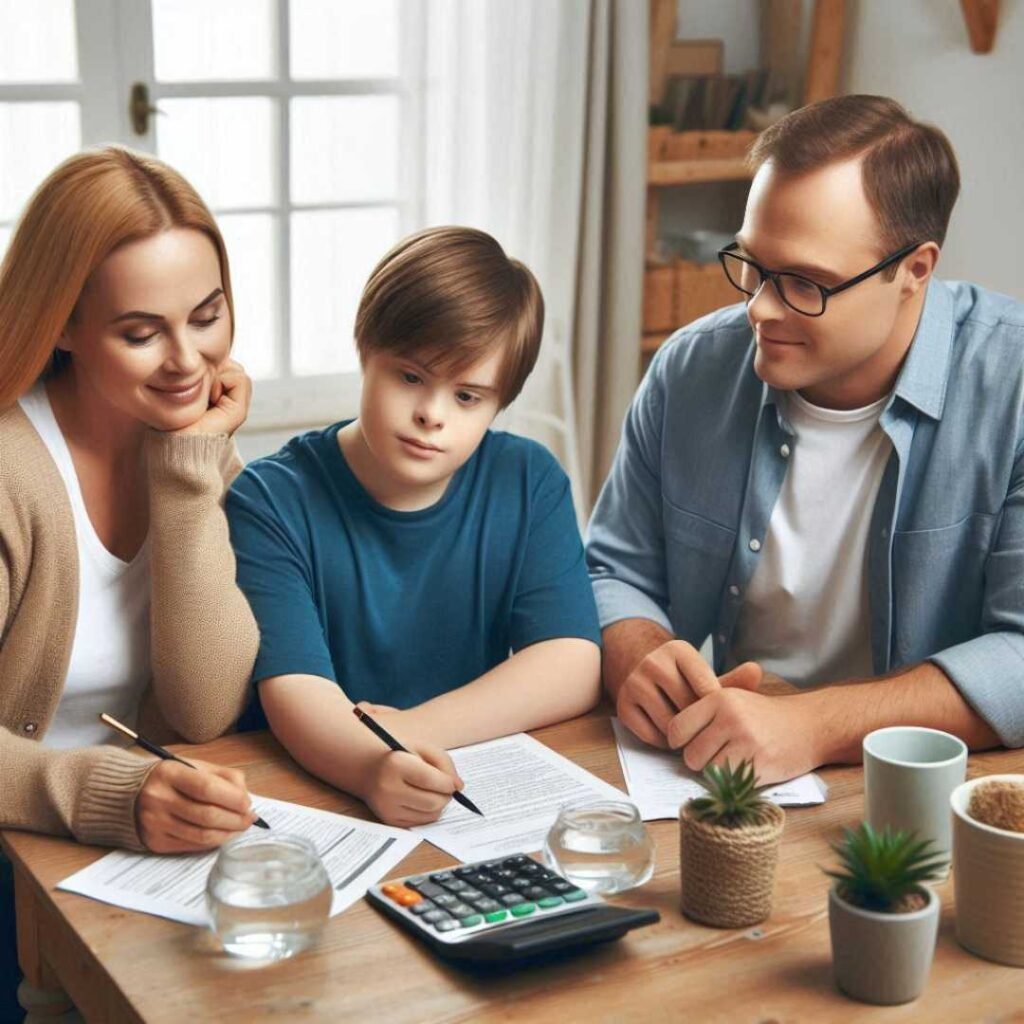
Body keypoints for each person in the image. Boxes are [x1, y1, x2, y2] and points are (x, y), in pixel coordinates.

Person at [587, 94, 1024, 784]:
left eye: (804, 283)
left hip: (925, 788)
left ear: (914, 271)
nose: (759, 307)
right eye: (754, 266)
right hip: (722, 763)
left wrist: (815, 724)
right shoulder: (691, 369)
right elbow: (611, 572)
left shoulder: (1015, 387)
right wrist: (636, 651)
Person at [226, 226, 602, 827]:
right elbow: (294, 690)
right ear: (365, 350)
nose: (432, 414)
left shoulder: (529, 481)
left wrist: (411, 732)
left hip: (453, 785)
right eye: (410, 377)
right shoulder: (270, 499)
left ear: (500, 402)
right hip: (316, 793)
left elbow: (570, 662)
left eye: (468, 397)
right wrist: (373, 763)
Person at [0, 147, 262, 854]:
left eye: (206, 316)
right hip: (28, 856)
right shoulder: (8, 476)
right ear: (61, 325)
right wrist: (104, 794)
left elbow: (203, 709)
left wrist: (187, 471)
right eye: (141, 333)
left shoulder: (198, 448)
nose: (186, 361)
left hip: (137, 851)